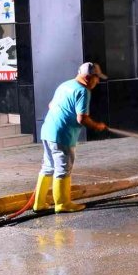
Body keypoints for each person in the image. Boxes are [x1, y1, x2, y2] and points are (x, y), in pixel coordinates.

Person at [32, 62, 108, 213]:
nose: (97, 81)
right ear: (88, 77)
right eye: (96, 78)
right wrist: (97, 126)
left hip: (47, 131)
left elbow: (50, 105)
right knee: (63, 169)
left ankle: (38, 204)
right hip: (63, 135)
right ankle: (62, 204)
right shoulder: (83, 91)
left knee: (48, 167)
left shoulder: (65, 85)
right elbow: (82, 119)